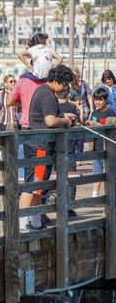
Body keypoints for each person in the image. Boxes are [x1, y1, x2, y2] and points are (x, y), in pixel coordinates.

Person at [19, 65, 74, 232]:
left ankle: (35, 222)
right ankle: (21, 225)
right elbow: (50, 121)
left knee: (38, 186)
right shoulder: (48, 96)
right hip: (40, 146)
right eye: (64, 84)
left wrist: (62, 117)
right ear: (56, 81)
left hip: (37, 143)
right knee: (32, 185)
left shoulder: (43, 90)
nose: (66, 88)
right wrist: (66, 121)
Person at [87, 87, 116, 198]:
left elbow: (110, 128)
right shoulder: (94, 112)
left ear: (106, 100)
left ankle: (110, 194)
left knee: (109, 170)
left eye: (100, 100)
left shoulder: (110, 112)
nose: (97, 102)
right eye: (96, 100)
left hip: (108, 147)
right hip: (97, 146)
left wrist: (96, 125)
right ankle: (95, 195)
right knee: (97, 170)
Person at [56, 86, 81, 217]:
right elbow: (78, 124)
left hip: (54, 148)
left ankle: (54, 204)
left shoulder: (53, 108)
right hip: (70, 148)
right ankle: (69, 207)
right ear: (68, 96)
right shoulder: (72, 108)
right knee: (71, 179)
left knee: (53, 178)